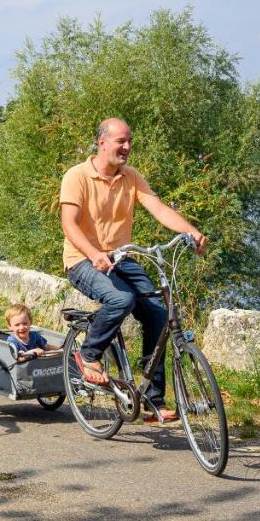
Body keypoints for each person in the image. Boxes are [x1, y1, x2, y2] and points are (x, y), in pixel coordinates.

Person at [59, 118, 206, 423]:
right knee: (121, 300)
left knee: (158, 312)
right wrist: (93, 252)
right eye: (120, 142)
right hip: (82, 259)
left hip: (121, 258)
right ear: (102, 143)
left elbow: (160, 209)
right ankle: (89, 355)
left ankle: (152, 398)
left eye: (129, 142)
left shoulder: (131, 177)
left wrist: (191, 231)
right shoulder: (77, 176)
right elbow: (69, 225)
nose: (126, 148)